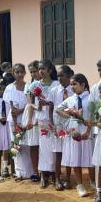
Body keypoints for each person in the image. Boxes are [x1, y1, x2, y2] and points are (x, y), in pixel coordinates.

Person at [57, 73, 93, 197]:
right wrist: (70, 115)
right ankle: (80, 185)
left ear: (83, 84)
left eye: (74, 84)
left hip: (87, 131)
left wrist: (88, 130)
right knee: (76, 157)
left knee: (90, 159)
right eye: (71, 84)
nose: (72, 87)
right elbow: (58, 109)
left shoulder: (91, 98)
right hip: (75, 131)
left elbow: (94, 115)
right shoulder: (71, 99)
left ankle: (93, 182)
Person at [29, 59, 59, 188]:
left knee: (55, 147)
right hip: (42, 118)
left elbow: (59, 102)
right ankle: (43, 174)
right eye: (39, 68)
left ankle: (55, 175)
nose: (41, 71)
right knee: (44, 147)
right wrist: (38, 107)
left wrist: (49, 104)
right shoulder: (35, 85)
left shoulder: (56, 84)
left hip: (55, 119)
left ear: (50, 70)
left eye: (43, 68)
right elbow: (30, 103)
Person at [48, 65, 74, 190]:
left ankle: (68, 178)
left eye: (62, 75)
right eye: (58, 76)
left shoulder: (74, 90)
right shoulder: (54, 90)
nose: (59, 78)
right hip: (57, 124)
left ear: (69, 76)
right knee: (58, 152)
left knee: (69, 152)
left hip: (70, 124)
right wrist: (51, 123)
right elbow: (51, 107)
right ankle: (57, 179)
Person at [24, 60, 41, 182]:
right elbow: (30, 103)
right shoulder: (31, 86)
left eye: (35, 71)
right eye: (31, 72)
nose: (33, 74)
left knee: (46, 144)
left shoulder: (49, 84)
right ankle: (35, 171)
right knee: (34, 144)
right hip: (33, 113)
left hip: (44, 113)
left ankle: (47, 170)